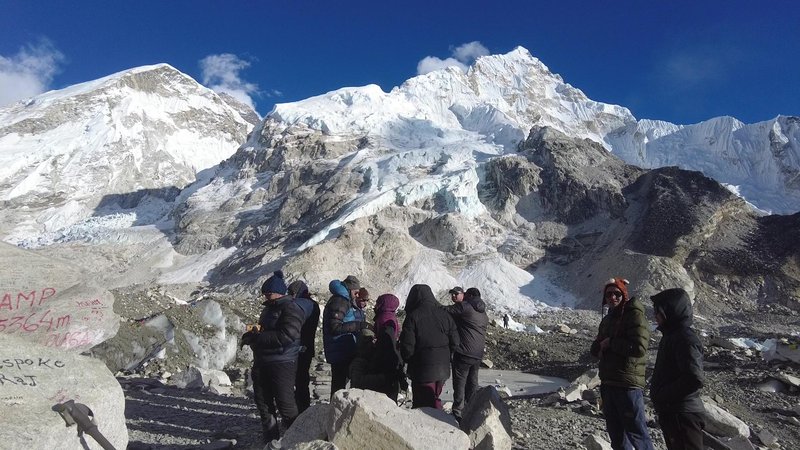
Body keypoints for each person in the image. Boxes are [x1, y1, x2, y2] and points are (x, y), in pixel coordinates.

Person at [590, 278, 654, 450]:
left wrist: (611, 343)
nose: (612, 298)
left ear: (624, 295)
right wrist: (599, 347)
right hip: (609, 383)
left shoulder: (635, 315)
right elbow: (595, 347)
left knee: (637, 433)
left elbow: (639, 348)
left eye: (616, 294)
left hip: (628, 385)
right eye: (609, 294)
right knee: (617, 436)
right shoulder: (608, 319)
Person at [241, 270, 304, 443]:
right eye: (265, 293)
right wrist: (252, 334)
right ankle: (270, 441)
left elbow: (288, 335)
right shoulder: (269, 309)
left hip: (282, 362)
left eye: (268, 293)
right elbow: (265, 329)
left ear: (278, 293)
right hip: (263, 361)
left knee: (285, 404)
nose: (266, 296)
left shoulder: (291, 308)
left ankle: (296, 441)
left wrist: (258, 338)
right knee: (263, 403)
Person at [650, 288, 705, 450]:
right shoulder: (673, 336)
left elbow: (694, 378)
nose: (655, 315)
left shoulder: (684, 338)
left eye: (658, 310)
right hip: (675, 413)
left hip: (682, 413)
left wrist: (663, 395)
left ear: (670, 310)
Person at [399, 284, 460, 409]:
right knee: (434, 397)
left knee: (423, 404)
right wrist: (447, 355)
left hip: (422, 368)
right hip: (442, 368)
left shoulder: (413, 317)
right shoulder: (444, 315)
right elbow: (455, 341)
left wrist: (408, 360)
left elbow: (407, 346)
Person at [442, 286, 488, 421]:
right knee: (473, 382)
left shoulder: (465, 307)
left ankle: (458, 411)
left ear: (468, 296)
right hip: (478, 353)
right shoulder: (483, 312)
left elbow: (446, 310)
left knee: (460, 381)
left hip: (464, 351)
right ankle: (472, 409)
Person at [322, 275, 368, 399]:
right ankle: (336, 413)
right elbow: (335, 327)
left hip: (341, 348)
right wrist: (359, 325)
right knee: (339, 387)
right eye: (356, 292)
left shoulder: (343, 299)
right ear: (349, 289)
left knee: (340, 385)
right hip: (340, 350)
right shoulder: (340, 301)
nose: (357, 295)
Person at [287, 279, 320, 414]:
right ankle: (304, 407)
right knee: (303, 379)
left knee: (294, 379)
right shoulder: (314, 305)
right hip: (308, 346)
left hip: (296, 347)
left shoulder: (298, 305)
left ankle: (296, 408)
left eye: (291, 293)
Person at [373, 293, 405, 401]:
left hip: (384, 358)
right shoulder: (390, 316)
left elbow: (386, 340)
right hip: (390, 358)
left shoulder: (384, 317)